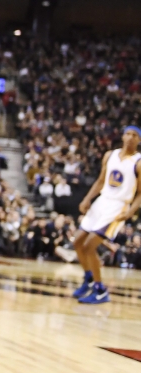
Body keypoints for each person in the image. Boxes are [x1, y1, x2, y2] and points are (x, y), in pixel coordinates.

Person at [73, 126, 141, 304]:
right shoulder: (109, 155)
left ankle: (101, 290)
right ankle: (88, 279)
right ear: (122, 136)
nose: (130, 138)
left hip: (118, 206)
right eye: (128, 134)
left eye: (135, 135)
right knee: (77, 241)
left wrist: (131, 211)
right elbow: (101, 181)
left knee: (89, 246)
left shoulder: (138, 162)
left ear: (139, 141)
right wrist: (87, 199)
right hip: (102, 200)